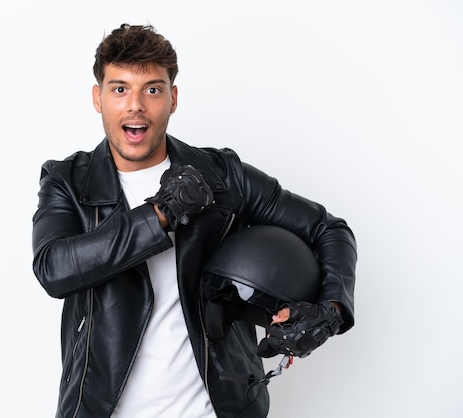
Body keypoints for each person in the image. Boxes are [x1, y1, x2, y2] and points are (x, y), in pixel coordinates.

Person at [32, 23, 357, 418]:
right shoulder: (67, 180)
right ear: (98, 98)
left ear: (173, 98)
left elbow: (329, 228)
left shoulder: (224, 175)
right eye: (120, 89)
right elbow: (55, 268)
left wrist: (332, 310)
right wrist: (162, 213)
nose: (135, 105)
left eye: (152, 89)